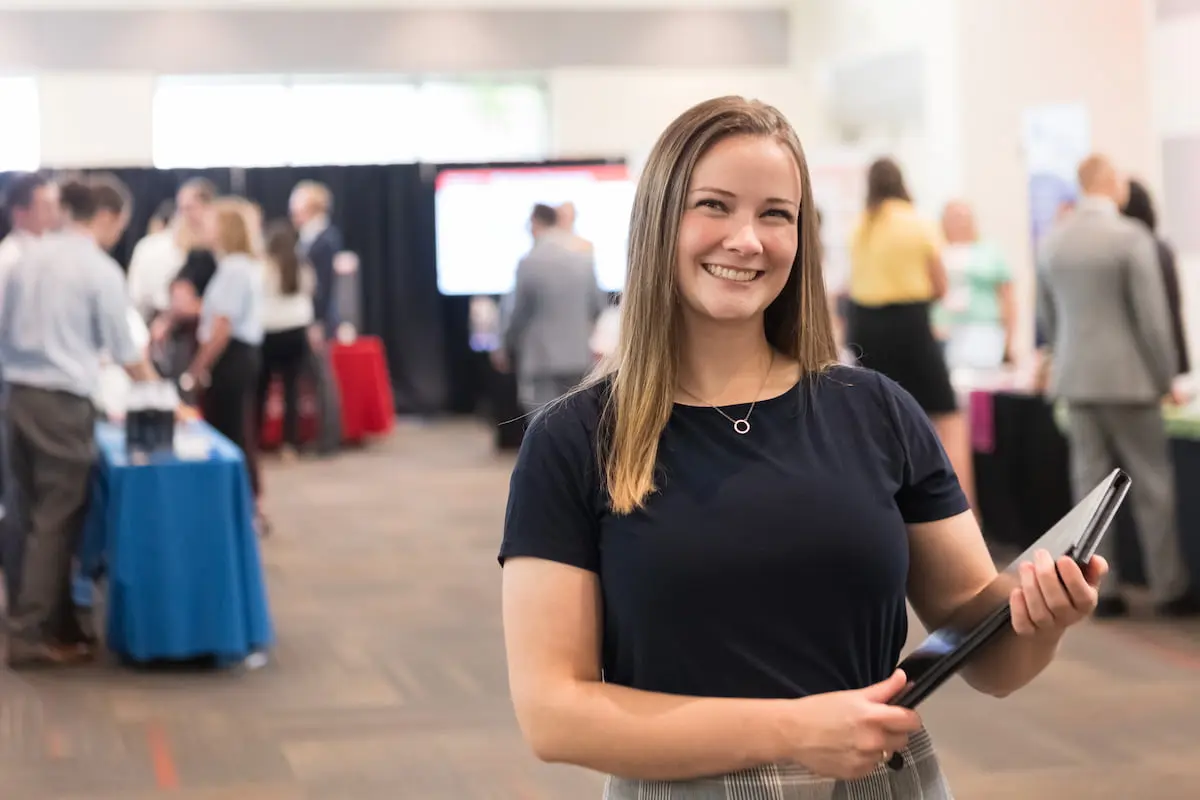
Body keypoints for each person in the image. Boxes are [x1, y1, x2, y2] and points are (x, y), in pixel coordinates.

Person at [499, 96, 1109, 798]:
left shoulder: (875, 411)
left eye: (774, 214)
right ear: (660, 218)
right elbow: (554, 715)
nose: (747, 239)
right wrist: (793, 731)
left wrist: (1040, 619)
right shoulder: (576, 438)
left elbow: (989, 656)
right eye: (715, 206)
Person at [0, 176, 157, 667]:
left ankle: (51, 623)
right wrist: (159, 392)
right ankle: (29, 634)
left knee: (25, 512)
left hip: (17, 395)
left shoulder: (27, 258)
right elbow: (126, 350)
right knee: (58, 518)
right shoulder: (99, 270)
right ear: (107, 217)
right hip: (62, 402)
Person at [1037, 154, 1198, 618]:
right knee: (1152, 485)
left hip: (1076, 381)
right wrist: (1167, 376)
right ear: (1110, 184)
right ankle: (1168, 587)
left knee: (1089, 488)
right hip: (1131, 383)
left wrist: (1061, 359)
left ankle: (1100, 591)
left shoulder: (1054, 242)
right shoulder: (1131, 238)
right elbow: (1152, 318)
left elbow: (1048, 317)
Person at [843, 158, 973, 508]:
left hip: (864, 326)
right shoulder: (918, 222)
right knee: (947, 416)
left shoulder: (859, 226)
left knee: (879, 417)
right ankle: (965, 511)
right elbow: (940, 285)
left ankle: (887, 506)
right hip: (909, 324)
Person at [180, 198, 265, 495]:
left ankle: (242, 501)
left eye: (212, 221)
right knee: (238, 428)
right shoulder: (238, 266)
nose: (204, 226)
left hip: (231, 358)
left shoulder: (234, 269)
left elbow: (221, 328)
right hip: (240, 355)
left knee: (231, 432)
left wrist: (197, 367)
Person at [497, 203, 607, 413]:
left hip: (541, 361)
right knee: (579, 424)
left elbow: (518, 313)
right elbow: (598, 307)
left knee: (542, 426)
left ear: (535, 223)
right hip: (579, 358)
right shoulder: (583, 259)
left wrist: (506, 346)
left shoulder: (529, 262)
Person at [256, 220, 316, 460]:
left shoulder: (262, 268)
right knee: (292, 392)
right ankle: (290, 444)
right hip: (296, 332)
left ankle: (257, 441)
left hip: (269, 333)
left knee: (261, 390)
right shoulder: (302, 268)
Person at [935, 200, 1015, 369]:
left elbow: (1007, 296)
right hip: (944, 331)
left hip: (983, 330)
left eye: (964, 217)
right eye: (954, 217)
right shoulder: (936, 250)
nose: (960, 222)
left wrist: (1009, 340)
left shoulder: (990, 252)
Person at [1121, 178, 1189, 378]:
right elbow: (1173, 311)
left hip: (1132, 365)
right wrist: (1178, 367)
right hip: (1156, 362)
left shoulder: (1136, 252)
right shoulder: (1160, 250)